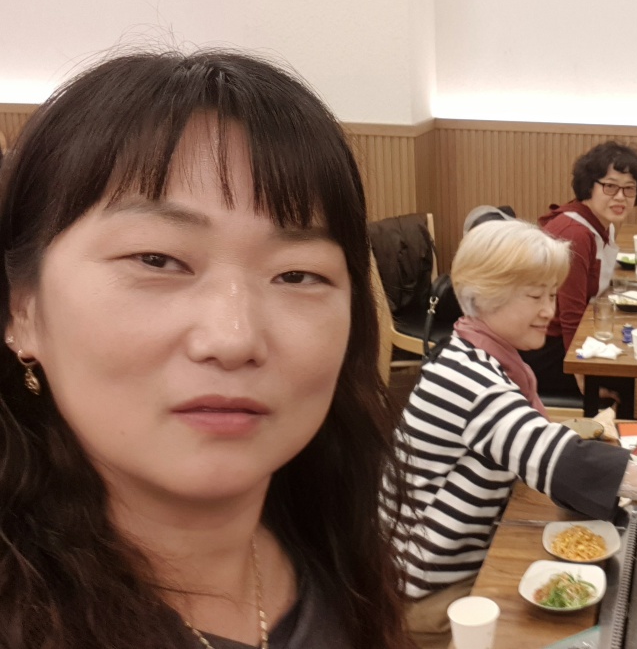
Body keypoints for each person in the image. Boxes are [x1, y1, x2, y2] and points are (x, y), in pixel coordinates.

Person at [0, 51, 411, 648]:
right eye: (157, 259)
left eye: (297, 274)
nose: (234, 338)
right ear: (22, 309)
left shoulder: (330, 540)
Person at [394, 219, 637, 647]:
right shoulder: (469, 380)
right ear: (486, 295)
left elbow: (535, 440)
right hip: (430, 592)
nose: (549, 311)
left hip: (457, 559)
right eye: (535, 296)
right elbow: (563, 461)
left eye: (552, 295)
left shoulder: (476, 354)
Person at [523, 141, 637, 399]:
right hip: (542, 348)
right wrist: (582, 376)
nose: (620, 196)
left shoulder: (603, 224)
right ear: (589, 186)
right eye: (610, 186)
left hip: (565, 338)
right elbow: (570, 316)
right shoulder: (575, 234)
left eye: (629, 188)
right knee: (634, 379)